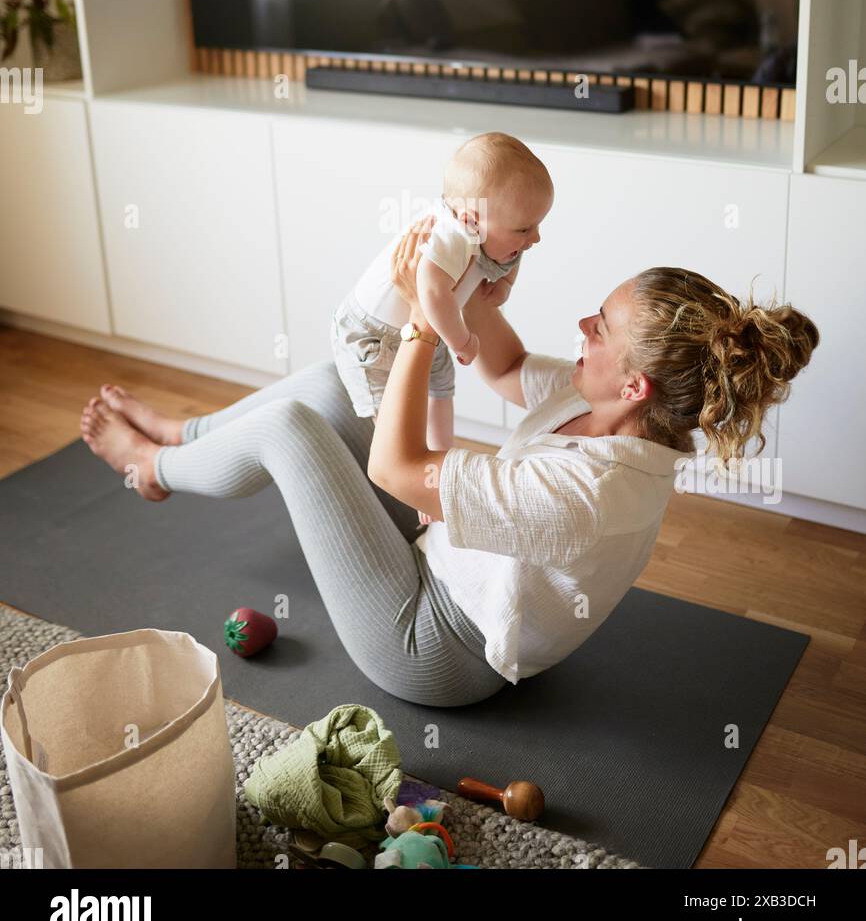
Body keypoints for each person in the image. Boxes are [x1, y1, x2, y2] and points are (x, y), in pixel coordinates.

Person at [80, 222, 819, 708]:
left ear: (635, 386)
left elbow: (397, 469)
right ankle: (182, 434)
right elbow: (507, 366)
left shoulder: (592, 493)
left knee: (289, 430)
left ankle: (153, 469)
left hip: (433, 648)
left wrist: (420, 327)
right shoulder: (606, 404)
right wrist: (475, 295)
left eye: (602, 327)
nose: (584, 327)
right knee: (328, 385)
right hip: (445, 556)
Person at [330, 131, 553, 526]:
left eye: (536, 225)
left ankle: (438, 458)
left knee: (441, 389)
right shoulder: (451, 234)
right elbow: (430, 293)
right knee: (395, 418)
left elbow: (507, 258)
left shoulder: (485, 229)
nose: (535, 237)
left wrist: (505, 280)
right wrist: (463, 340)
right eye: (523, 229)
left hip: (422, 336)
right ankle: (414, 476)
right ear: (470, 221)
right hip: (372, 335)